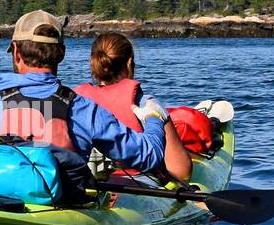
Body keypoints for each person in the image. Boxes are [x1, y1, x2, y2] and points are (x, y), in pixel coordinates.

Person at [0, 10, 169, 188]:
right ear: (61, 54)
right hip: (62, 214)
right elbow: (148, 156)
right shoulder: (84, 109)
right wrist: (154, 119)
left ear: (15, 52)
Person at [73, 32, 192, 180]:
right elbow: (181, 170)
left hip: (86, 184)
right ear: (129, 63)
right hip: (138, 186)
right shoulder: (146, 104)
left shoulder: (75, 101)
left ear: (93, 62)